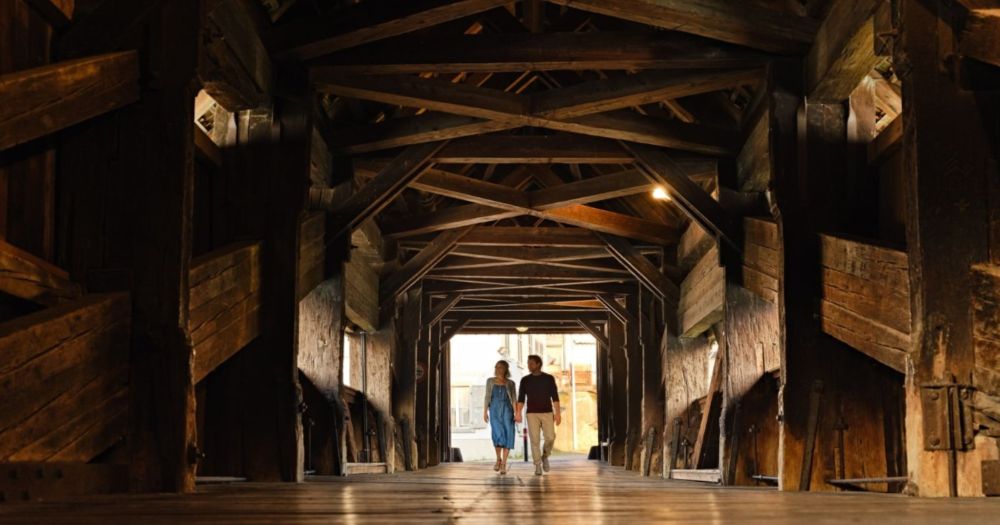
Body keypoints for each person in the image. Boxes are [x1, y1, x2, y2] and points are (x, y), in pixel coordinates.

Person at [515, 354, 561, 476]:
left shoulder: (549, 378)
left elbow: (555, 397)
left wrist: (558, 414)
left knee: (550, 437)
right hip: (532, 414)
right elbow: (521, 398)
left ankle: (545, 456)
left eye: (531, 363)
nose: (529, 365)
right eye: (528, 363)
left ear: (538, 364)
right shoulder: (525, 380)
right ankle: (537, 465)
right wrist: (518, 413)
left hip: (547, 412)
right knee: (534, 440)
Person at [483, 360, 517, 475]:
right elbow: (487, 396)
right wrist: (484, 412)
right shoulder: (490, 381)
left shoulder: (510, 383)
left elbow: (513, 399)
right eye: (496, 367)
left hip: (508, 411)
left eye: (501, 367)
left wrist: (516, 413)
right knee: (497, 435)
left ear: (506, 369)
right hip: (494, 411)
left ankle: (504, 464)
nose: (498, 369)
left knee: (508, 434)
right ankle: (498, 458)